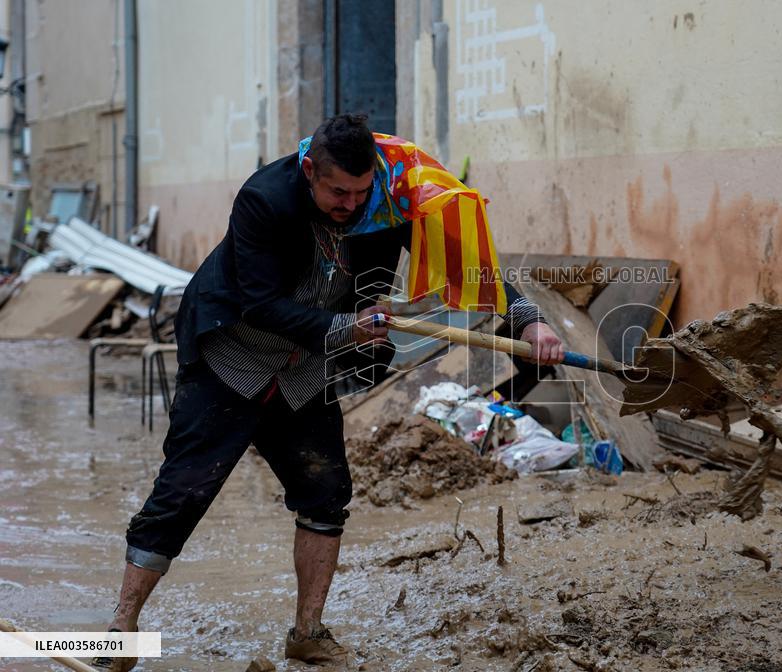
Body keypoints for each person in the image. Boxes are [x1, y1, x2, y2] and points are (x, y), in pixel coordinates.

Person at [93, 114, 563, 671]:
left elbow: (469, 271)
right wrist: (348, 329)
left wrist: (530, 322)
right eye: (338, 191)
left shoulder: (397, 195)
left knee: (325, 492)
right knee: (183, 492)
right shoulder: (264, 199)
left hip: (303, 372)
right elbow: (259, 303)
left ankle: (308, 632)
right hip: (235, 357)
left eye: (361, 192)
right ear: (309, 169)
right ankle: (119, 633)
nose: (350, 204)